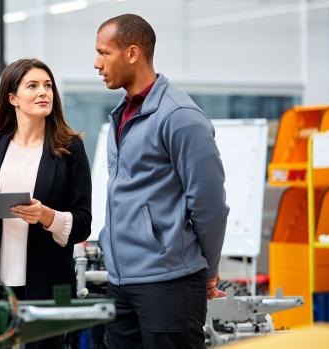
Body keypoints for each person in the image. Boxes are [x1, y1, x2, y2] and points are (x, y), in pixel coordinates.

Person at [94, 14, 229, 348]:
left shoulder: (179, 117)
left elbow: (209, 204)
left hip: (169, 282)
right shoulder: (123, 113)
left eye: (104, 53)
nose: (97, 64)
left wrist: (208, 270)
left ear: (132, 53)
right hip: (122, 281)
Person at [0, 58, 92, 349]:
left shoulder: (70, 148)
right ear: (13, 98)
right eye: (32, 85)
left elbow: (83, 223)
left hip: (46, 285)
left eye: (48, 86)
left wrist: (47, 216)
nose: (43, 92)